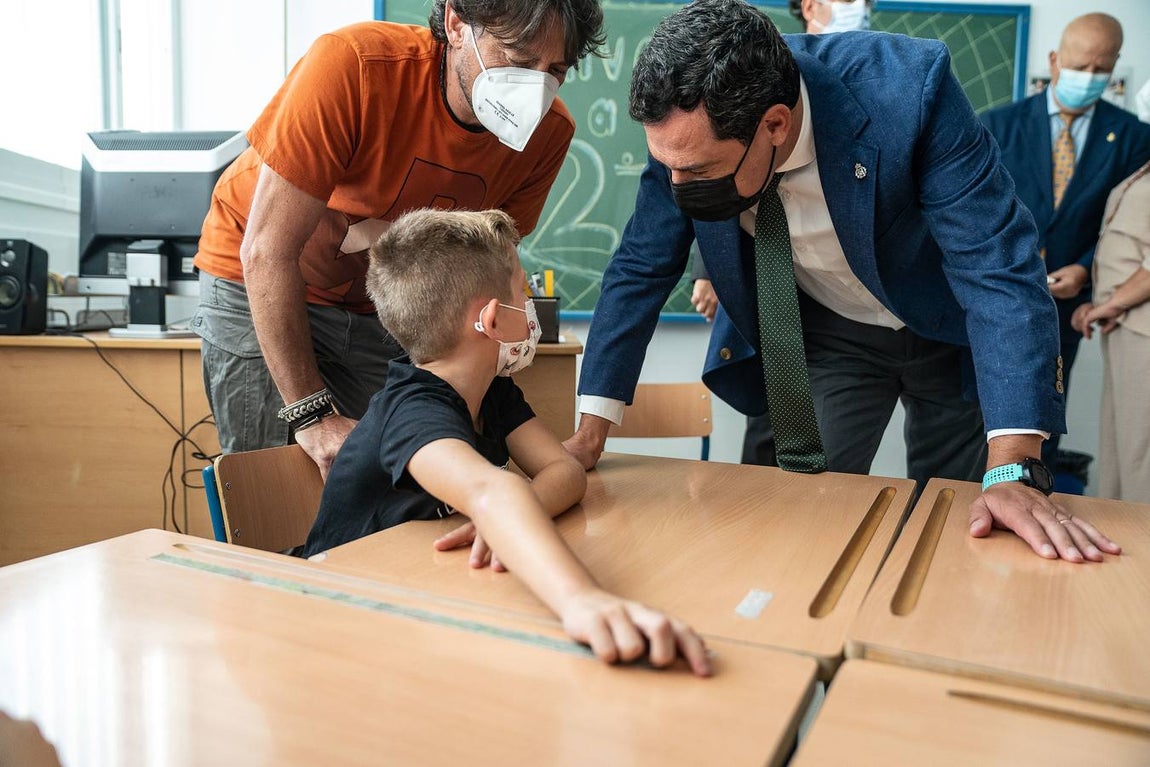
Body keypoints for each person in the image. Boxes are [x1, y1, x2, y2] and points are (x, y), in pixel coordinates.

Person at [565, 0, 1122, 563]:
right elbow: (640, 268)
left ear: (776, 124)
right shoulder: (685, 142)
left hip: (949, 329)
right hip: (832, 331)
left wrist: (1015, 469)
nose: (677, 185)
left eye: (700, 173)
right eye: (668, 168)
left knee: (964, 517)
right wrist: (590, 432)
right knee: (802, 507)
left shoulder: (908, 92)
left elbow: (997, 268)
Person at [192, 0, 604, 478]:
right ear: (455, 22)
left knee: (393, 474)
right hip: (256, 278)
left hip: (375, 303)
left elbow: (485, 264)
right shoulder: (355, 67)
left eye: (555, 69)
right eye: (517, 57)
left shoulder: (547, 134)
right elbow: (267, 252)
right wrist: (311, 415)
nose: (536, 88)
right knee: (275, 487)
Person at [301, 208, 711, 674]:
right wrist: (583, 599)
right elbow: (489, 490)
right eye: (524, 291)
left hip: (423, 593)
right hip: (339, 615)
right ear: (493, 320)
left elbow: (564, 471)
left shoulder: (491, 389)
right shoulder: (412, 409)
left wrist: (507, 520)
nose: (531, 303)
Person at [692, 0, 875, 465]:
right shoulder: (755, 57)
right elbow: (705, 164)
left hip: (857, 295)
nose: (862, 8)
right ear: (811, 6)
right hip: (776, 291)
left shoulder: (881, 73)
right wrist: (707, 268)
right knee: (773, 426)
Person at [981, 13, 1150, 466]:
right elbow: (977, 210)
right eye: (1080, 67)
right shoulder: (998, 124)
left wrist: (1084, 268)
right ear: (1055, 60)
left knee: (1044, 420)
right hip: (1000, 296)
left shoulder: (1135, 136)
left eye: (1101, 69)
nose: (1089, 78)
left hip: (1070, 306)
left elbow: (1125, 223)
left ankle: (1036, 500)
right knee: (979, 417)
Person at [1071, 161, 1150, 503]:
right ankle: (1127, 543)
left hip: (1142, 327)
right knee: (1121, 447)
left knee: (1140, 449)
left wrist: (1113, 302)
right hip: (1128, 324)